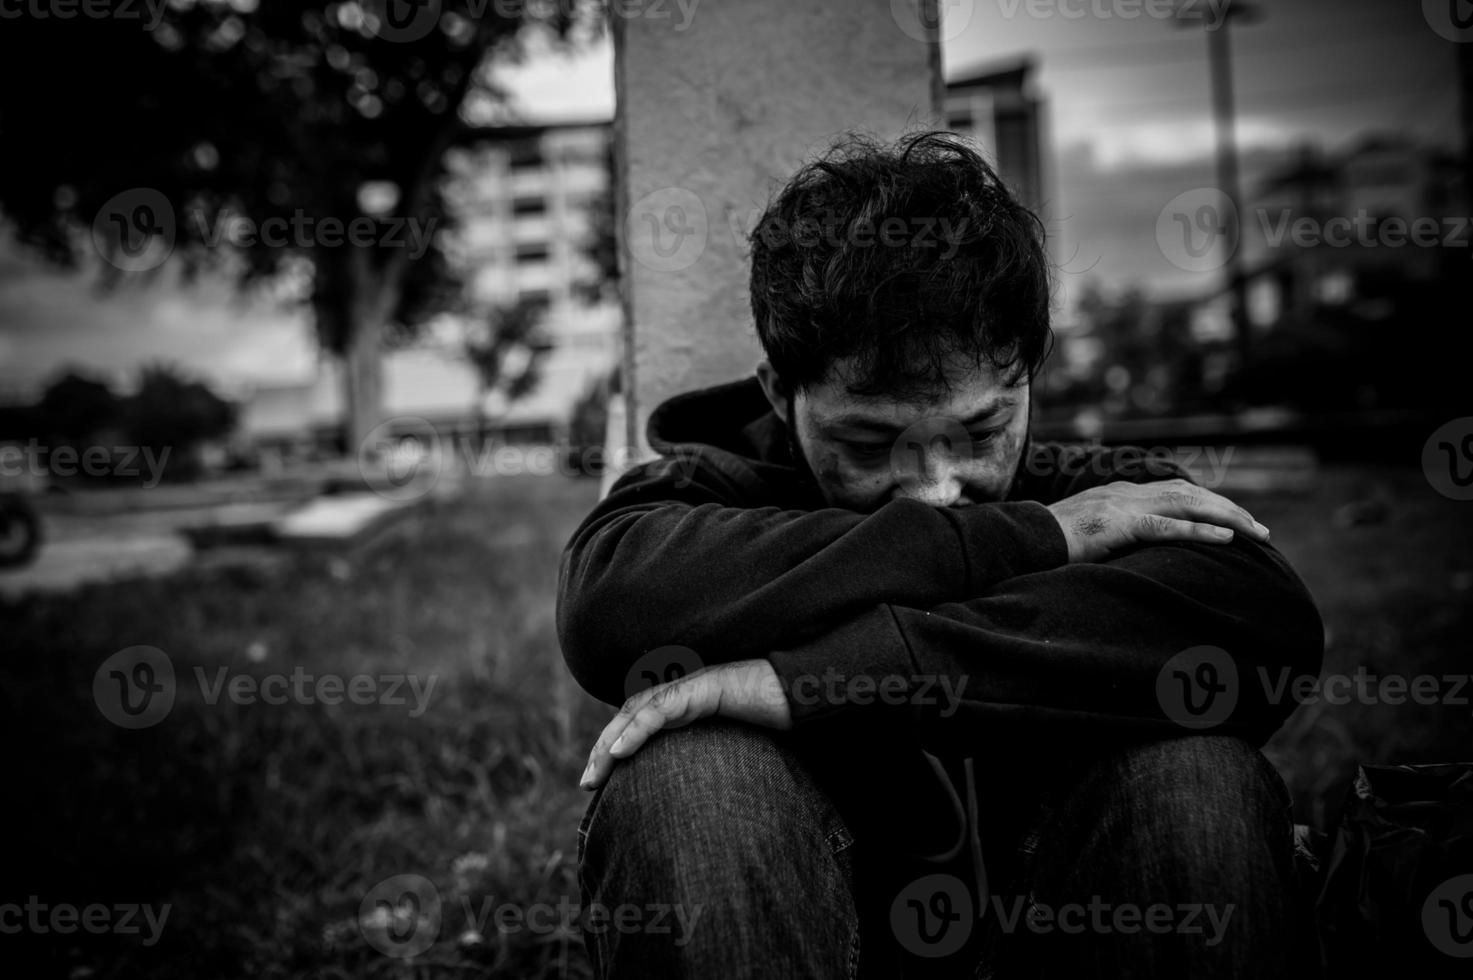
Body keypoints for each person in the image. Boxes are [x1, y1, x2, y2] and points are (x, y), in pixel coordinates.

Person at [555, 131, 1323, 978]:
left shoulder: (1104, 492)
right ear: (780, 391)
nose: (933, 485)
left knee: (1193, 773)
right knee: (690, 782)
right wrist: (1036, 537)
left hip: (1058, 922)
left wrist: (811, 684)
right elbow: (609, 604)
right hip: (812, 925)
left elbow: (1262, 621)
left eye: (981, 430)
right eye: (869, 441)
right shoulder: (710, 491)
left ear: (1027, 378)